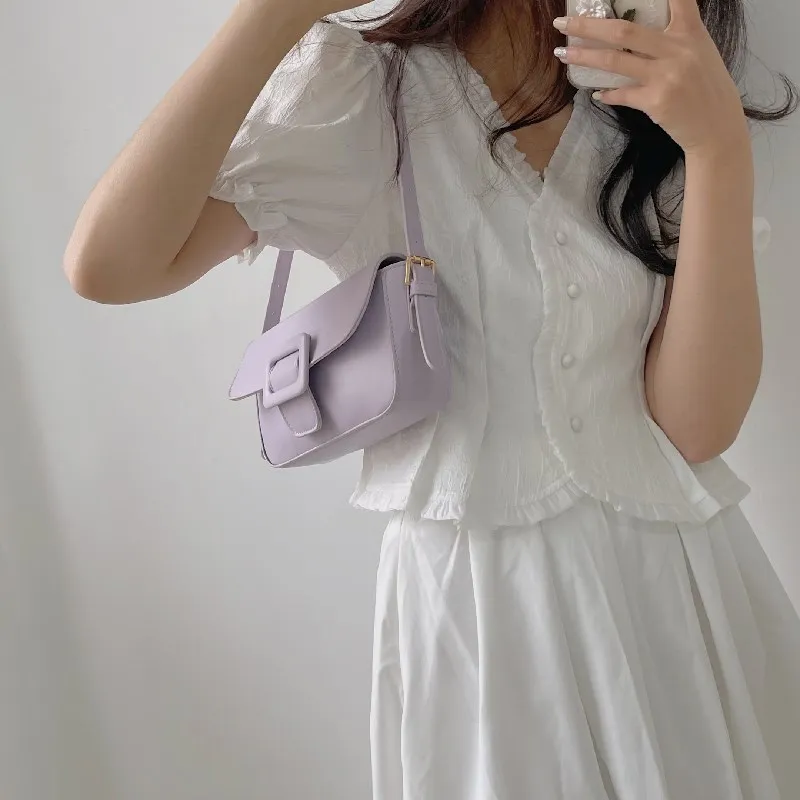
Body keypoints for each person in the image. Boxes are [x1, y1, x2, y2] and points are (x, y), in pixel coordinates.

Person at [64, 0, 800, 796]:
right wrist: (275, 13)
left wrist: (717, 147)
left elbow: (695, 429)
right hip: (483, 612)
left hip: (681, 596)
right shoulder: (363, 89)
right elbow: (112, 264)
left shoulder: (652, 74)